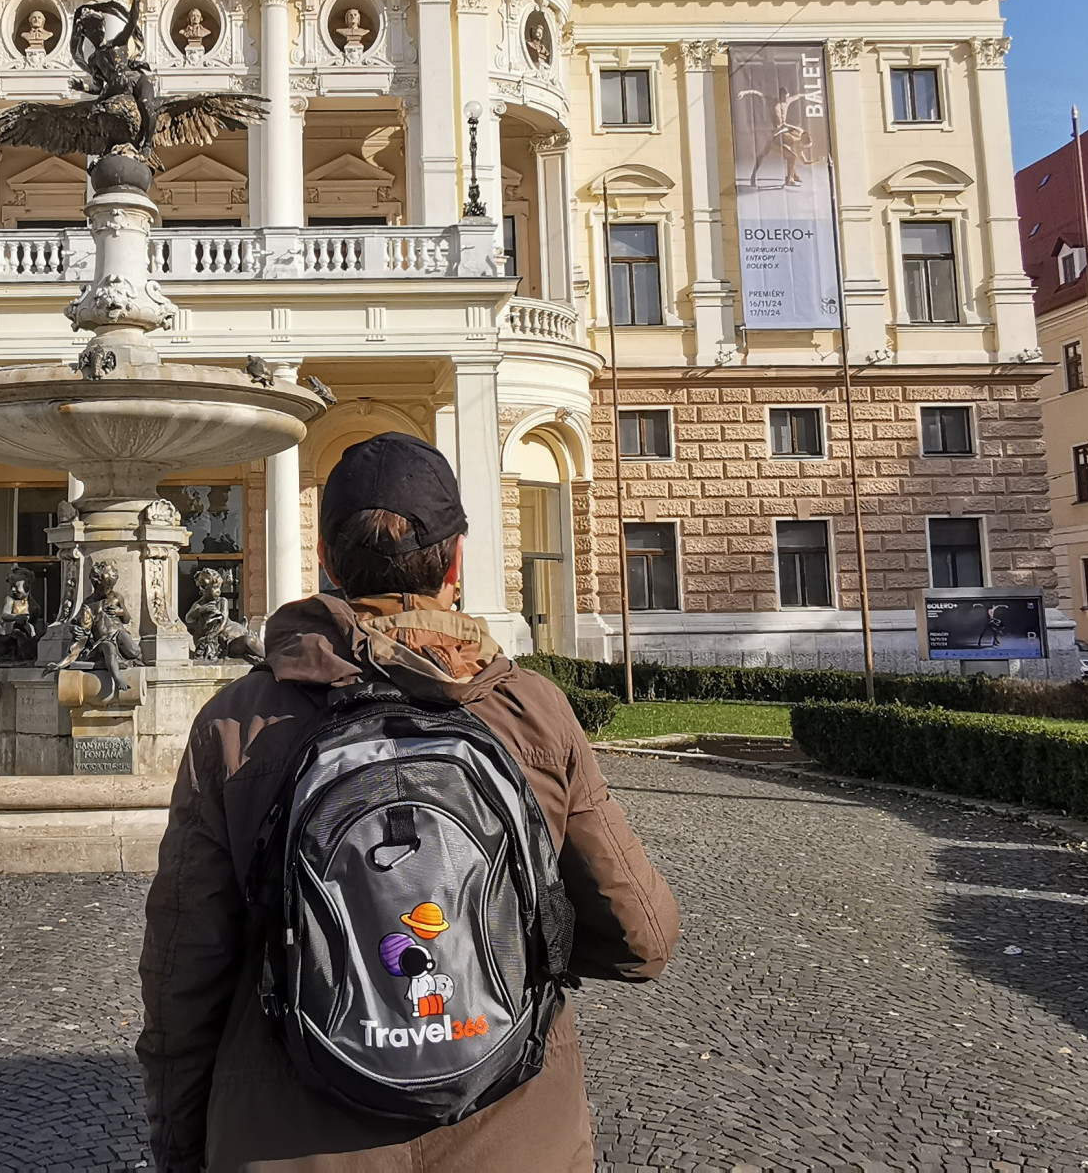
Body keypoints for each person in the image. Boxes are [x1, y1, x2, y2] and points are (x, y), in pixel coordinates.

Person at [138, 431, 681, 1170]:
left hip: (291, 1136)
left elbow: (183, 973)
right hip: (516, 1128)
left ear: (326, 561)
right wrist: (500, 932)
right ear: (457, 560)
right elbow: (642, 936)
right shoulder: (532, 711)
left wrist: (179, 1140)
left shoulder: (236, 723)